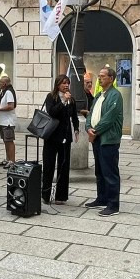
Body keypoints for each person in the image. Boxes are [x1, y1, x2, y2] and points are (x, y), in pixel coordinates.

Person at [85, 67, 124, 217]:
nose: (99, 79)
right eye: (99, 76)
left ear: (111, 78)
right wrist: (88, 127)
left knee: (110, 172)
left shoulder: (115, 96)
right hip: (97, 138)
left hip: (108, 139)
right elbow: (91, 112)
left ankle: (113, 205)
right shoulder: (99, 95)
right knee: (99, 171)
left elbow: (109, 118)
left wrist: (95, 131)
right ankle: (101, 198)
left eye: (102, 76)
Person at [42, 74, 81, 204]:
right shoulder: (51, 97)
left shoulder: (71, 99)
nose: (66, 86)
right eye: (63, 83)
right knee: (49, 165)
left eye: (67, 83)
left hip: (65, 136)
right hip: (52, 136)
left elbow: (74, 116)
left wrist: (76, 129)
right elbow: (52, 112)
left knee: (63, 167)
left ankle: (61, 196)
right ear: (58, 85)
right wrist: (63, 101)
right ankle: (46, 195)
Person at [0, 76, 17, 169]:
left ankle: (12, 161)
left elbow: (11, 106)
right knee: (5, 141)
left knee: (9, 141)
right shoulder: (3, 92)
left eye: (0, 82)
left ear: (4, 84)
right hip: (3, 121)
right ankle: (8, 159)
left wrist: (0, 109)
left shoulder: (8, 92)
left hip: (8, 122)